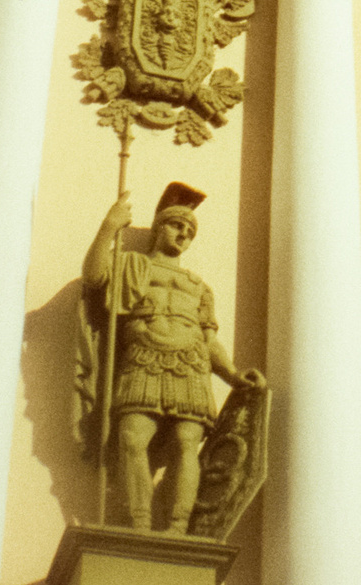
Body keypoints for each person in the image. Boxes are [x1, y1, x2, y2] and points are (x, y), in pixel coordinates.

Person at [78, 183, 261, 534]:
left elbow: (208, 340)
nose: (183, 235)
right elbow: (94, 276)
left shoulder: (198, 286)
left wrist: (232, 375)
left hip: (189, 362)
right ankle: (140, 523)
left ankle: (177, 527)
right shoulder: (132, 265)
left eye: (190, 231)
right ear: (159, 228)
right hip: (144, 357)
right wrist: (109, 227)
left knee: (186, 443)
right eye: (177, 225)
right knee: (132, 438)